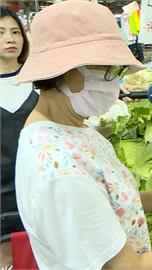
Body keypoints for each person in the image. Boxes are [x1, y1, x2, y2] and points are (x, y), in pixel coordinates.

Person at [14, 1, 152, 269]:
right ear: (70, 72)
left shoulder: (69, 130)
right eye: (110, 71)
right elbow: (123, 267)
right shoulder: (61, 168)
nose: (116, 82)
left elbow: (97, 208)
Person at [0, 6, 37, 267]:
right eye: (0, 32)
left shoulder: (41, 81)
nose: (10, 38)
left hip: (38, 192)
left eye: (15, 32)